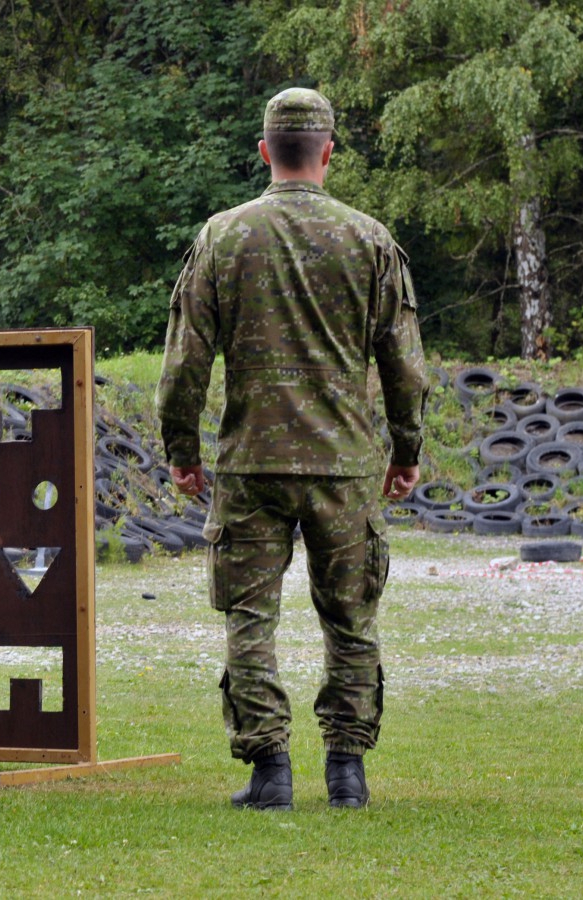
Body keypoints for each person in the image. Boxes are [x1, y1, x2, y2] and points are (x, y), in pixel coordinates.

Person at [155, 88, 429, 811]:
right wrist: (407, 449)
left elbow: (184, 361)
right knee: (351, 621)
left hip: (250, 465)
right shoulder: (370, 240)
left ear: (264, 151)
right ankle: (347, 773)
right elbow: (404, 364)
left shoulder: (222, 236)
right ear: (330, 152)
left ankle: (269, 772)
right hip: (344, 465)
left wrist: (181, 448)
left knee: (251, 620)